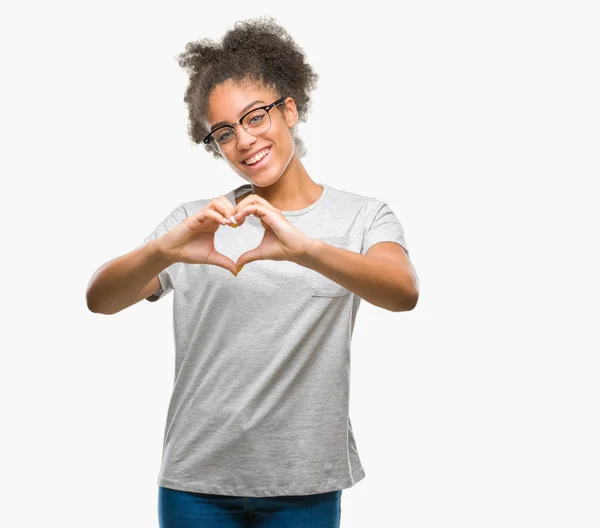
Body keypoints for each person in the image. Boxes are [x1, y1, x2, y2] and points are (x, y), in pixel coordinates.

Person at [86, 15, 419, 528]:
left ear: (289, 110)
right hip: (196, 483)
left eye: (256, 117)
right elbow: (100, 299)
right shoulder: (196, 223)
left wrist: (305, 249)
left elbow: (402, 292)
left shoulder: (361, 217)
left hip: (303, 482)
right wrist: (164, 250)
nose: (243, 141)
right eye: (223, 132)